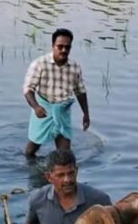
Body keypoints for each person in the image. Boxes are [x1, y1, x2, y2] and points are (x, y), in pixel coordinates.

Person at [23, 28, 90, 157]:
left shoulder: (74, 67)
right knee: (31, 151)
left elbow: (80, 91)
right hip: (43, 109)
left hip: (63, 110)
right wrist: (36, 107)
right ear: (53, 46)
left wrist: (86, 114)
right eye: (60, 46)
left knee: (65, 154)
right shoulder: (39, 64)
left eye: (67, 47)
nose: (64, 50)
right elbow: (28, 89)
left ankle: (60, 173)